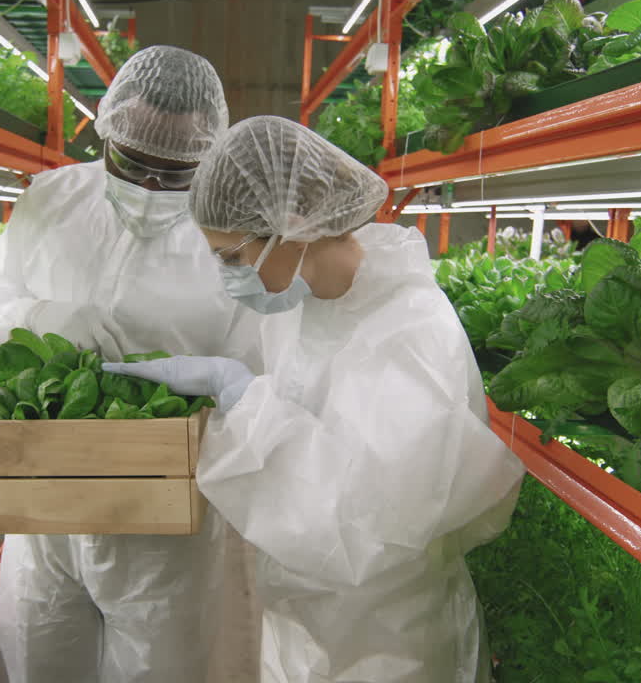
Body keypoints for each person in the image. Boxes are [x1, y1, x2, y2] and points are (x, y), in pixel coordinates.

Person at [105, 116, 526, 683]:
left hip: (390, 640)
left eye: (232, 257)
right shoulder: (308, 308)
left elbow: (373, 524)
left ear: (295, 225)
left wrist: (244, 400)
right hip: (307, 621)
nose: (230, 277)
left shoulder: (407, 330)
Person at [0, 46, 260, 683]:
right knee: (44, 651)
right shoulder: (51, 200)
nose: (152, 186)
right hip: (48, 500)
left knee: (162, 662)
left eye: (174, 172)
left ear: (206, 158)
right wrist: (40, 317)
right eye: (134, 164)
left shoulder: (230, 231)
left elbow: (256, 372)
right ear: (106, 129)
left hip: (169, 517)